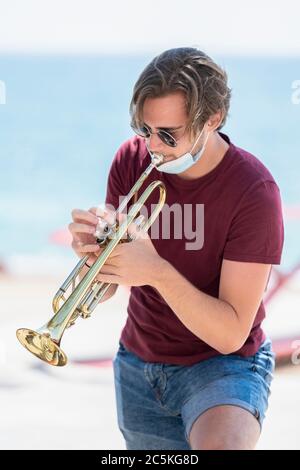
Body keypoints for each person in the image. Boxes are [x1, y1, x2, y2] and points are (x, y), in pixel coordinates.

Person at [68, 47, 284, 450]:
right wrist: (92, 258)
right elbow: (110, 284)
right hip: (139, 364)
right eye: (144, 129)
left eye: (169, 134)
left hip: (223, 366)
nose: (153, 146)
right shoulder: (131, 160)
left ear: (212, 120)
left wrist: (157, 271)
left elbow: (231, 334)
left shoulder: (254, 192)